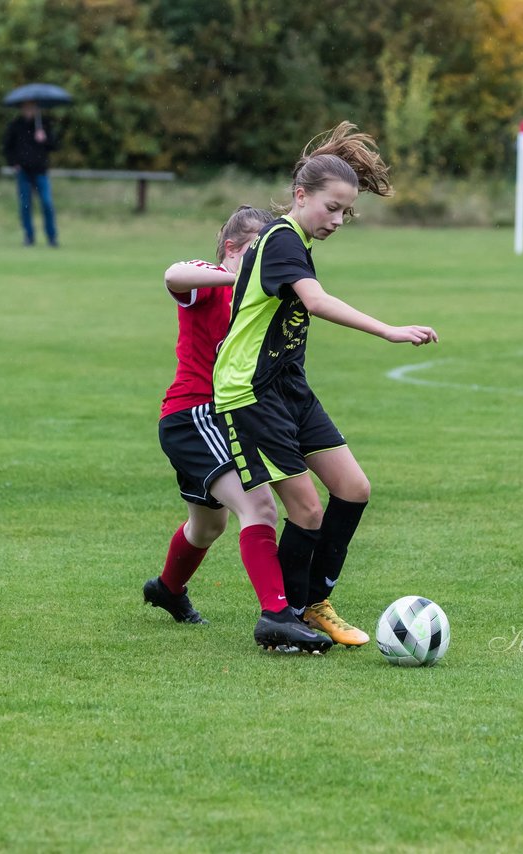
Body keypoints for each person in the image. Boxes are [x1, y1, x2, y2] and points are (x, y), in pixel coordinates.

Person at [211, 122, 438, 647]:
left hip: (288, 386)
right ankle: (282, 617)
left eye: (345, 212)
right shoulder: (281, 239)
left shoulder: (295, 243)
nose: (337, 220)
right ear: (300, 195)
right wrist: (388, 329)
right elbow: (315, 301)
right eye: (331, 207)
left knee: (354, 488)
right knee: (307, 508)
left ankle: (313, 604)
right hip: (251, 391)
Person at [144, 205, 333, 654]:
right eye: (256, 252)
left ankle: (167, 589)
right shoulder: (212, 284)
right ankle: (277, 614)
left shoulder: (260, 298)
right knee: (260, 508)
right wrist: (238, 275)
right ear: (232, 250)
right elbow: (174, 275)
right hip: (196, 415)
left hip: (234, 413)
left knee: (207, 526)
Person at [3, 101, 59, 248]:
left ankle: (52, 237)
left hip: (40, 170)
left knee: (47, 203)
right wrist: (13, 163)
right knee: (26, 205)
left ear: (36, 109)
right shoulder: (15, 126)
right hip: (24, 172)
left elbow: (54, 146)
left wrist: (44, 138)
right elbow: (7, 147)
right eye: (26, 107)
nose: (28, 110)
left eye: (31, 107)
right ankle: (29, 236)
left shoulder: (43, 125)